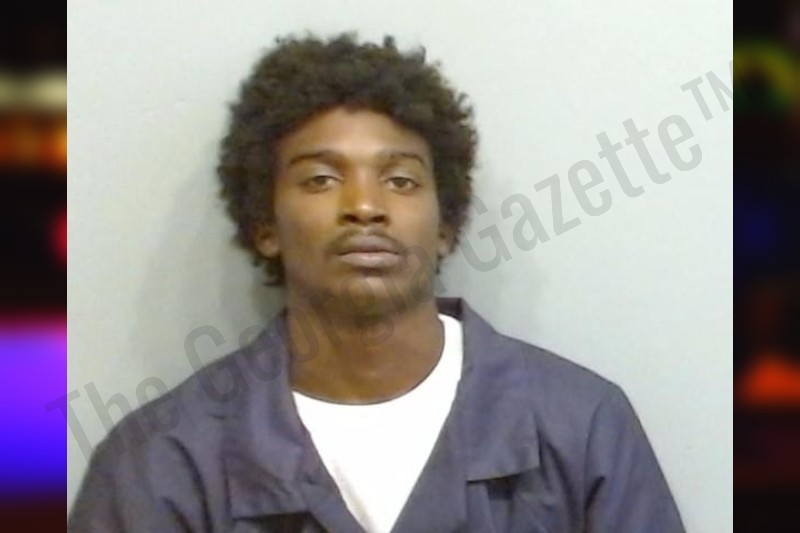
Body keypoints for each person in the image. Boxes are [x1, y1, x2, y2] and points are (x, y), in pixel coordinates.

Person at [68, 33, 685, 532]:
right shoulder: (159, 462)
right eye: (320, 179)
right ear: (265, 226)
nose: (364, 206)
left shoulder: (582, 426)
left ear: (445, 224)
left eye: (401, 180)